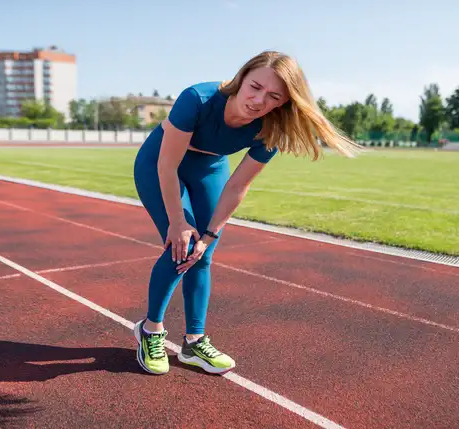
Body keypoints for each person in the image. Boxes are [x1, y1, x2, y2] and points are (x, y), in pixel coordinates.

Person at [132, 50, 363, 375]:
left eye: (273, 97)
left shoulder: (271, 131)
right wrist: (178, 221)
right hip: (160, 162)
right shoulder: (197, 98)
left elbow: (238, 186)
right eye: (255, 86)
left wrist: (210, 234)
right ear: (242, 78)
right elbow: (167, 165)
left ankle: (193, 342)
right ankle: (150, 330)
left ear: (283, 102)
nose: (258, 100)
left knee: (203, 251)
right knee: (181, 245)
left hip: (210, 167)